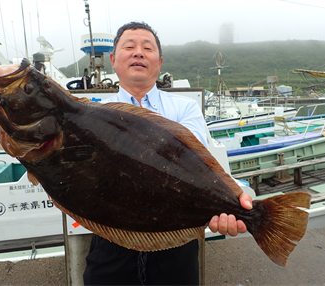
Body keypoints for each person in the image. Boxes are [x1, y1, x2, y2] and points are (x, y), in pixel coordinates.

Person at [83, 21, 253, 286]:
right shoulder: (92, 113)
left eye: (147, 48)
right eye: (129, 47)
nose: (138, 52)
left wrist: (229, 202)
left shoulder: (185, 108)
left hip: (176, 245)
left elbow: (194, 162)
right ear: (114, 60)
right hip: (111, 241)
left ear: (159, 62)